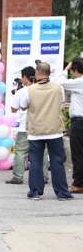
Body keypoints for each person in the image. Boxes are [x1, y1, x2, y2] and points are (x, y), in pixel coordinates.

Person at [19, 62, 73, 200]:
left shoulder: (29, 90)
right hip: (54, 130)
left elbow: (23, 106)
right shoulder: (58, 88)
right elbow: (61, 101)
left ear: (37, 73)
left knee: (35, 162)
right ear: (49, 73)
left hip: (36, 131)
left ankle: (35, 192)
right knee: (57, 161)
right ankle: (62, 193)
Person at [56, 57, 83, 194]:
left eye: (72, 70)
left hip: (79, 122)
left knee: (78, 154)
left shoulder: (79, 82)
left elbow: (60, 82)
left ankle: (78, 184)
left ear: (75, 70)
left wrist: (65, 69)